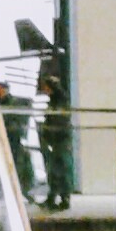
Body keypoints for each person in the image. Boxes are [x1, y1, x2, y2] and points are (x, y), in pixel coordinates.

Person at [38, 76, 74, 212]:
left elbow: (58, 119)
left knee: (62, 168)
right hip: (56, 139)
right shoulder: (55, 101)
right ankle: (52, 197)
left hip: (61, 139)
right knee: (54, 169)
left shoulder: (61, 102)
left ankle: (64, 198)